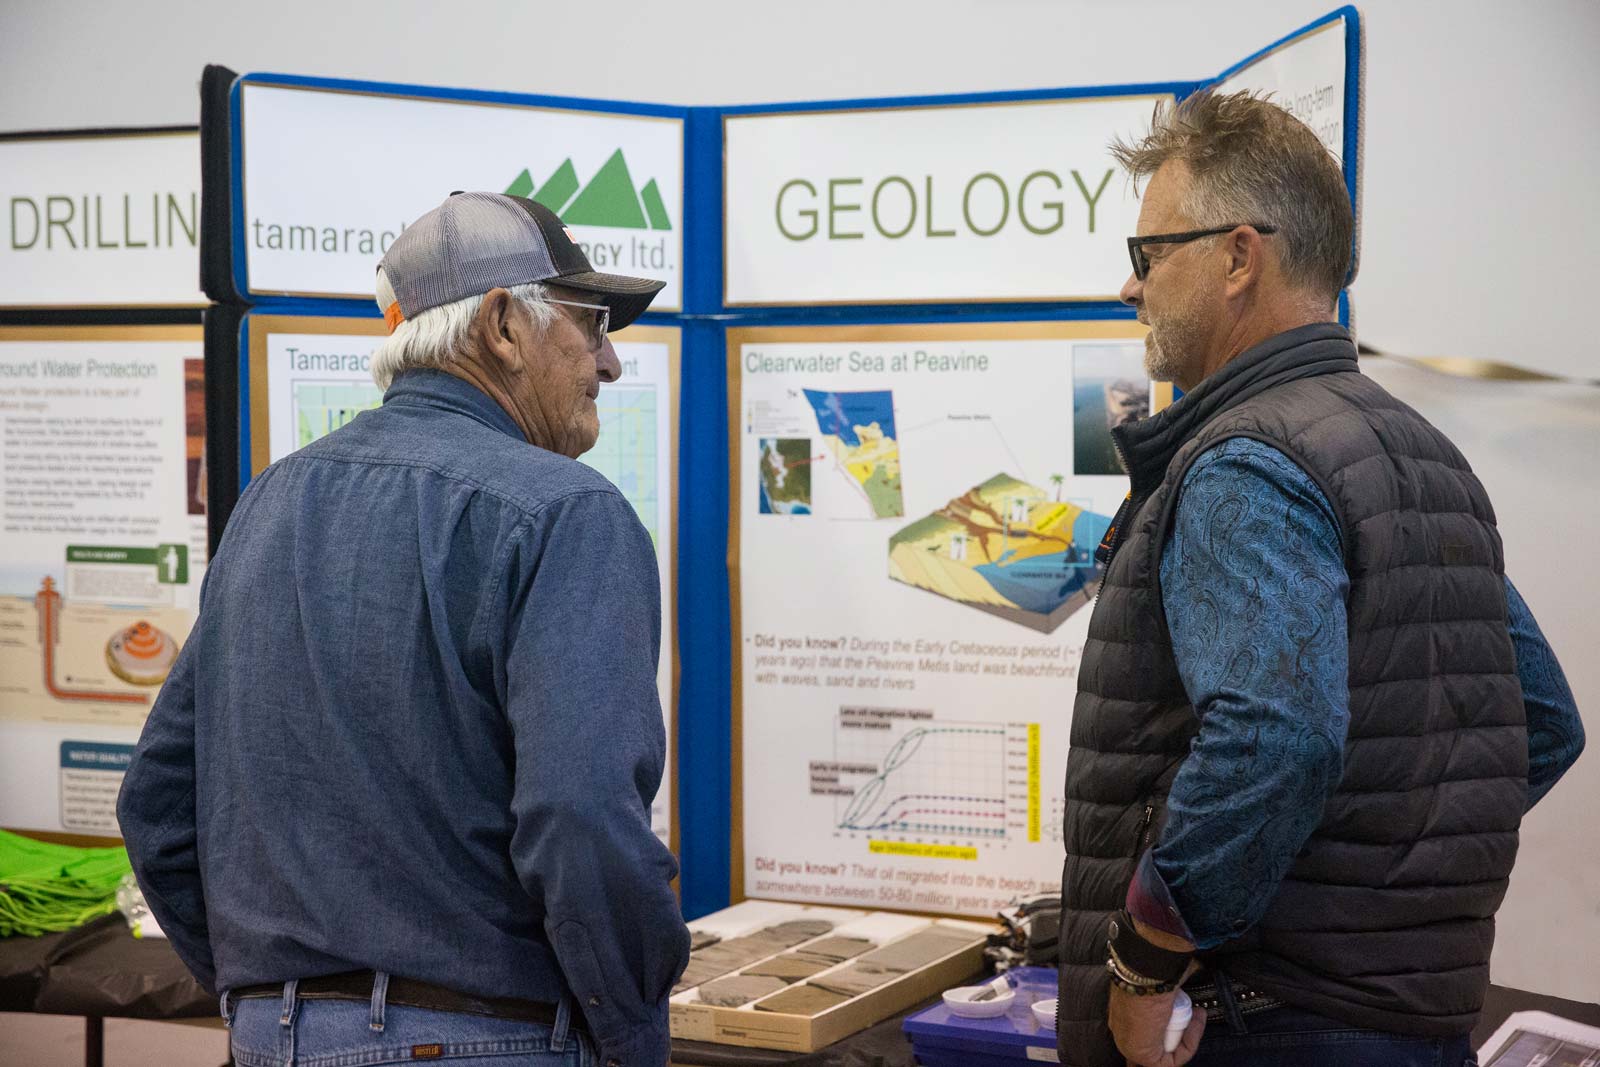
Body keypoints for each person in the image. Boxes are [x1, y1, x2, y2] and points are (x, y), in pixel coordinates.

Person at [1056, 92, 1585, 1067]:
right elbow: (1542, 723)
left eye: (1147, 254)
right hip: (1412, 1024)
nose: (1128, 287)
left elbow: (1275, 739)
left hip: (1262, 1021)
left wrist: (1145, 964)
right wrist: (1375, 871)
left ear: (1237, 258)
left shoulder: (1244, 463)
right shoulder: (1421, 456)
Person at [118, 192, 689, 1067]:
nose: (609, 362)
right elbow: (581, 818)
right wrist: (631, 1032)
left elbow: (157, 802)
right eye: (591, 323)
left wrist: (267, 997)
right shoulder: (567, 512)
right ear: (503, 326)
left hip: (270, 1040)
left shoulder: (270, 500)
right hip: (491, 1038)